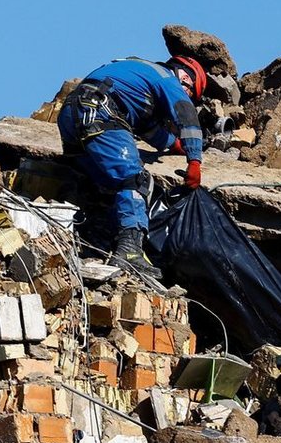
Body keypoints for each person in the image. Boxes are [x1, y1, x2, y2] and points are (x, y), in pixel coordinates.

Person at [57, 54, 207, 278]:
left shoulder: (139, 78)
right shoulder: (167, 79)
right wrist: (194, 158)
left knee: (104, 184)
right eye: (190, 91)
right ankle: (129, 252)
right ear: (185, 77)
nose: (187, 95)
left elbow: (148, 129)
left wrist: (174, 145)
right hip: (100, 111)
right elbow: (186, 115)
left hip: (72, 114)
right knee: (135, 180)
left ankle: (93, 240)